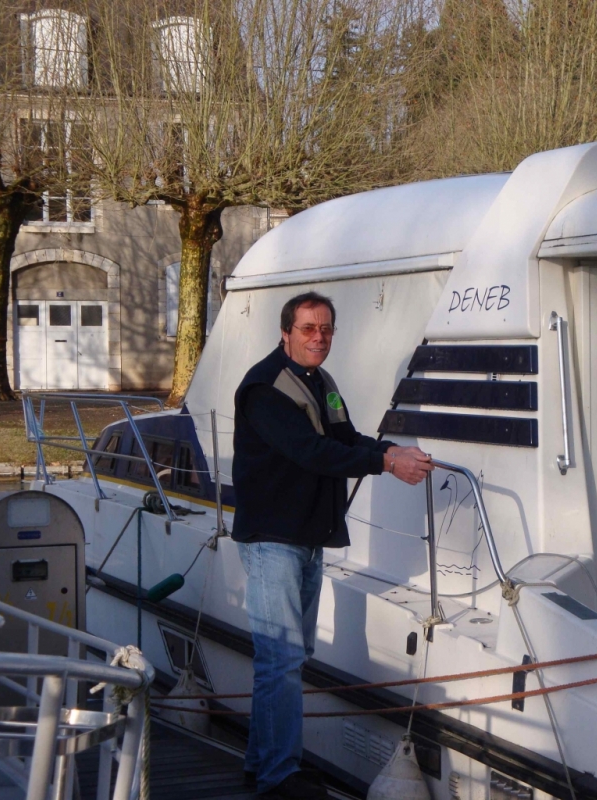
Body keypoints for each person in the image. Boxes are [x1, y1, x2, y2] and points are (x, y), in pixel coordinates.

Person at [232, 291, 433, 799]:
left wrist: (387, 449)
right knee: (281, 658)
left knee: (286, 657)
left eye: (326, 329)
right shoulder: (265, 387)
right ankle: (280, 776)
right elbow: (310, 451)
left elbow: (344, 437)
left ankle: (263, 766)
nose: (318, 337)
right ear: (285, 333)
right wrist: (387, 464)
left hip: (305, 536)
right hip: (272, 539)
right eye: (308, 329)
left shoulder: (322, 382)